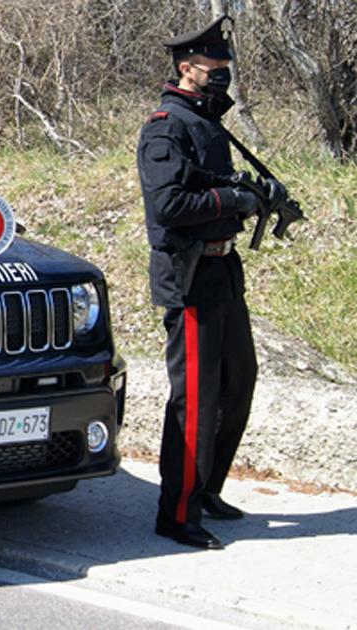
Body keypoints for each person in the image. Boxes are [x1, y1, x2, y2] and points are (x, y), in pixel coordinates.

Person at [136, 16, 279, 550]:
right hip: (190, 275)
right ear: (186, 66)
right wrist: (232, 201)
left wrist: (255, 193)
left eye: (224, 66)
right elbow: (169, 206)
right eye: (212, 66)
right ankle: (177, 513)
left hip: (222, 270)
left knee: (238, 380)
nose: (220, 74)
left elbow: (214, 182)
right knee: (193, 397)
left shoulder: (207, 121)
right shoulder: (165, 126)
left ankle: (207, 488)